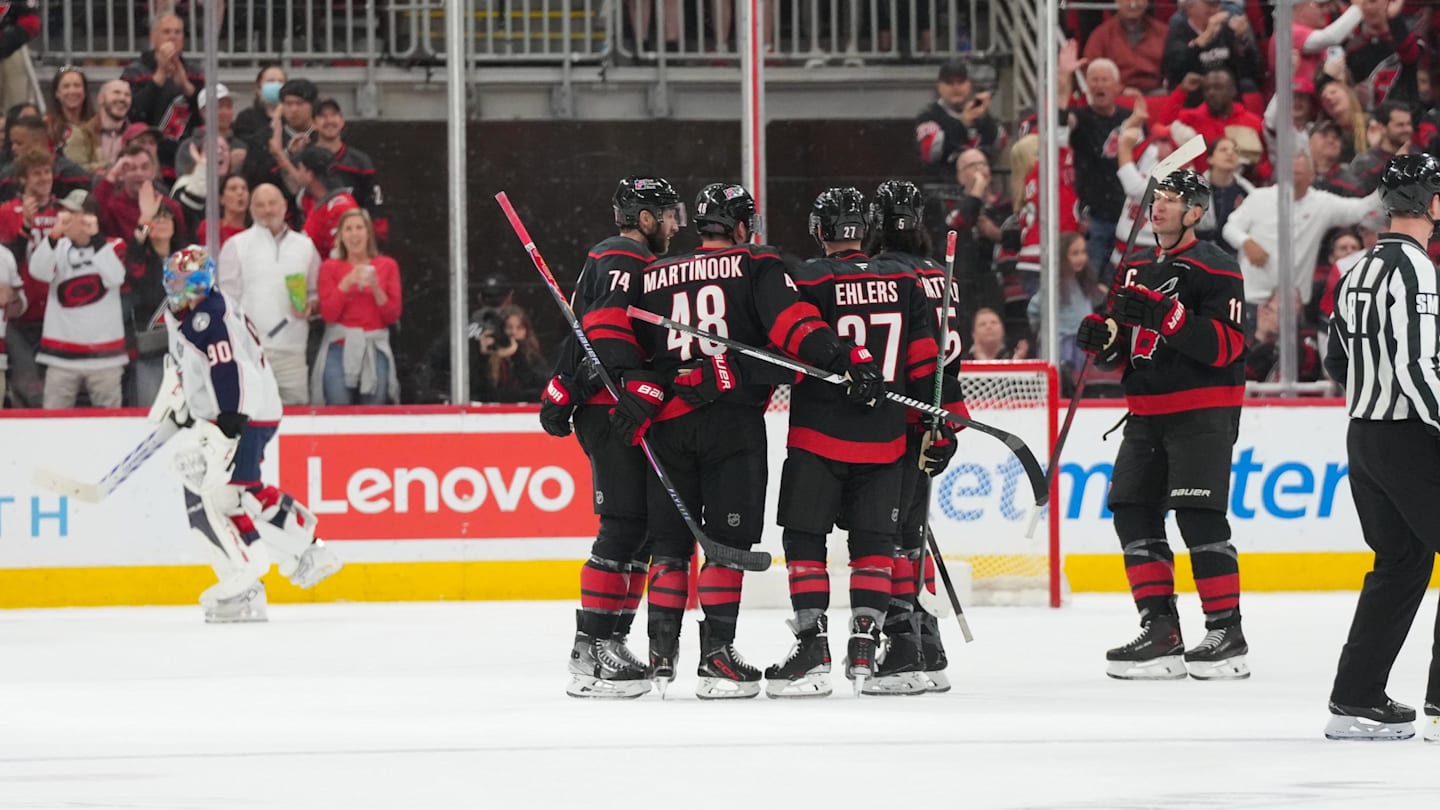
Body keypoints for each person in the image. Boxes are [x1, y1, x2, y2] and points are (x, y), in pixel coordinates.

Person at [583, 182, 882, 699]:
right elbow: (793, 330)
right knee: (726, 546)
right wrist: (844, 358)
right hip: (732, 428)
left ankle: (660, 657)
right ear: (743, 225)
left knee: (670, 548)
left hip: (668, 425)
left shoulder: (655, 273)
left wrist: (640, 387)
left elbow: (612, 334)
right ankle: (716, 659)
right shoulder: (757, 262)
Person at [1075, 169, 1249, 681]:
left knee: (1198, 516)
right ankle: (1161, 630)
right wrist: (1102, 342)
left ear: (1196, 212)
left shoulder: (1217, 265)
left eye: (1173, 200)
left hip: (1201, 410)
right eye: (1158, 198)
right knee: (1131, 511)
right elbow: (1125, 346)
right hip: (1146, 413)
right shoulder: (1133, 268)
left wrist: (1168, 318)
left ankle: (1226, 630)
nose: (1160, 207)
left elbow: (1228, 346)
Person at [544, 176, 682, 699]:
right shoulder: (627, 255)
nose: (673, 224)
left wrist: (561, 382)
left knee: (640, 529)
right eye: (667, 215)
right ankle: (591, 647)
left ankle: (612, 640)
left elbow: (578, 331)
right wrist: (637, 385)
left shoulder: (607, 258)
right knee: (624, 526)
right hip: (613, 409)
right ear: (644, 219)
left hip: (612, 404)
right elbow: (602, 327)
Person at [155, 245, 341, 623]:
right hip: (248, 410)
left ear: (203, 282)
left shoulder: (209, 317)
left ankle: (250, 582)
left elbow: (230, 369)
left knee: (225, 497)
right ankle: (307, 549)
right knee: (240, 491)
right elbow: (193, 365)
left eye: (186, 284)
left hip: (245, 413)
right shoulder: (194, 312)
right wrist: (188, 405)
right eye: (173, 282)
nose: (179, 291)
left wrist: (230, 417)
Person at [1322, 154, 1440, 742]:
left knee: (1400, 564)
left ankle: (1355, 698)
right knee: (1403, 563)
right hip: (1409, 436)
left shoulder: (1355, 270)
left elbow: (1334, 359)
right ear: (1431, 204)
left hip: (1363, 437)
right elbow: (1419, 368)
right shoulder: (1417, 271)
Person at [861, 179, 964, 694]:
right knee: (912, 531)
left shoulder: (880, 273)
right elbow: (950, 360)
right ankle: (927, 639)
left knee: (895, 535)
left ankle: (903, 645)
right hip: (932, 418)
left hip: (891, 418)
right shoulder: (940, 276)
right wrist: (945, 421)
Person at [217, 182, 319, 406]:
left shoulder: (305, 246)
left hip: (292, 351)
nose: (267, 210)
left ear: (284, 206)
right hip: (251, 352)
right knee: (252, 414)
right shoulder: (236, 246)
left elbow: (314, 293)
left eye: (272, 203)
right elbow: (226, 303)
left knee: (296, 418)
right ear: (252, 210)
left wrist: (310, 307)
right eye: (260, 205)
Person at [29, 193, 129, 409]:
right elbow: (38, 271)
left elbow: (116, 277)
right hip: (60, 356)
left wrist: (96, 239)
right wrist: (54, 236)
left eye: (72, 213)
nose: (64, 217)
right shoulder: (58, 247)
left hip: (105, 356)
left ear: (89, 218)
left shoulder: (113, 246)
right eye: (63, 212)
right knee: (53, 423)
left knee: (110, 423)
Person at [314, 207, 399, 404]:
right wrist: (346, 282)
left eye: (359, 228)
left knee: (375, 411)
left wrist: (376, 288)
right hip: (339, 348)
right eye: (349, 229)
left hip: (374, 347)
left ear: (368, 233)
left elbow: (392, 316)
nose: (354, 234)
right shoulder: (330, 267)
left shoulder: (387, 266)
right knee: (337, 410)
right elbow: (328, 315)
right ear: (341, 236)